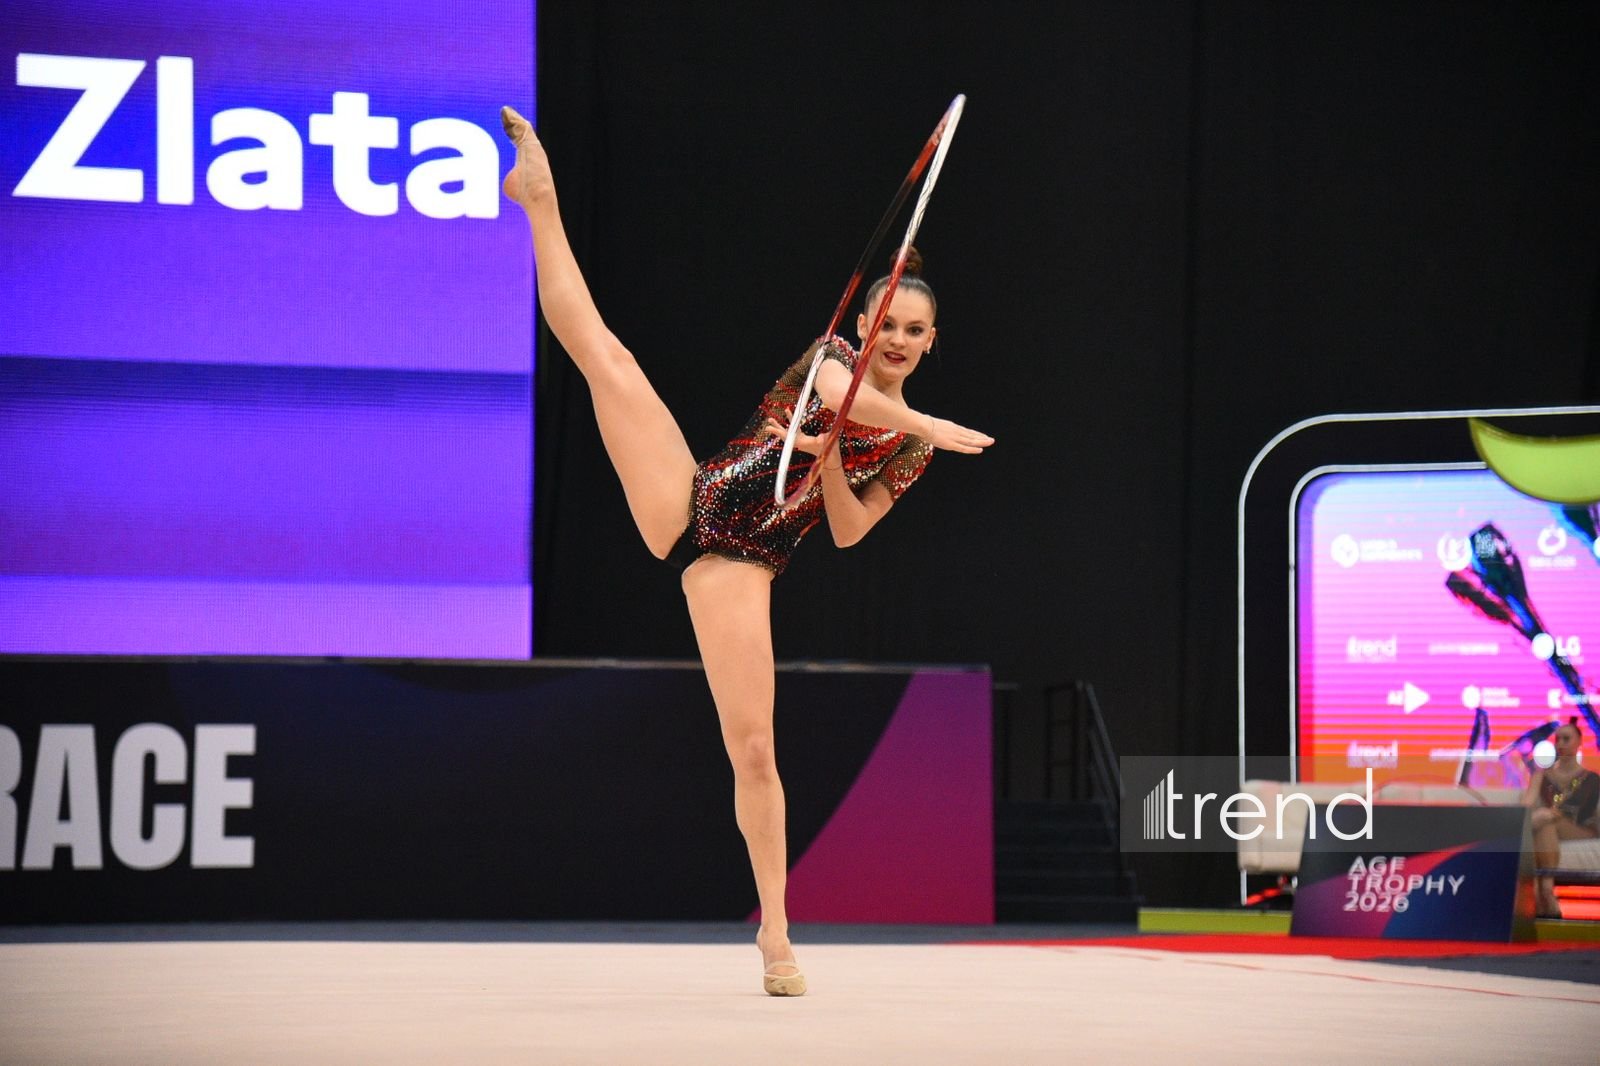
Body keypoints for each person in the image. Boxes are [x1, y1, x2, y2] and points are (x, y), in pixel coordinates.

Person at [499, 106, 993, 995]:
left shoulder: (907, 447)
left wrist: (839, 460)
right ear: (866, 322)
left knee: (755, 747)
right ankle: (539, 198)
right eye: (888, 322)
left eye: (914, 331)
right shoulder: (832, 357)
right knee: (606, 357)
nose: (897, 339)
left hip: (743, 562)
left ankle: (776, 933)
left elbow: (848, 529)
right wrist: (920, 421)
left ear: (930, 341)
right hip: (691, 498)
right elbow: (846, 398)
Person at [1523, 717, 1599, 918]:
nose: (1561, 744)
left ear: (1579, 742)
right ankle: (1547, 891)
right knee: (1544, 824)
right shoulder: (1543, 775)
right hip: (1549, 828)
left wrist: (1544, 816)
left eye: (1567, 739)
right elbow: (1525, 806)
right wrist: (1536, 777)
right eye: (1558, 739)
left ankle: (1541, 890)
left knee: (1545, 820)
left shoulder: (1591, 779)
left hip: (1582, 830)